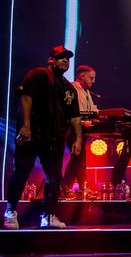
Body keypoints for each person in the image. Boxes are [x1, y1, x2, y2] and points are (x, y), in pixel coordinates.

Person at [3, 45, 83, 229]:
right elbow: (26, 97)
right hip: (32, 133)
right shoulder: (39, 74)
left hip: (53, 138)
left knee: (53, 178)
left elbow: (75, 117)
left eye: (67, 58)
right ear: (51, 60)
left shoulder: (68, 88)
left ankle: (48, 215)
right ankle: (11, 212)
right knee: (22, 171)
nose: (65, 60)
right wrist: (26, 125)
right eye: (61, 57)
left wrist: (78, 139)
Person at [63, 65, 98, 194]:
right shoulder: (72, 88)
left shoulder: (87, 92)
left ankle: (75, 188)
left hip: (83, 129)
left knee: (79, 160)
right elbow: (70, 111)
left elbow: (91, 110)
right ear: (82, 76)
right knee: (78, 159)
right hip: (72, 129)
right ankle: (67, 188)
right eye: (91, 78)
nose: (93, 81)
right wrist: (83, 120)